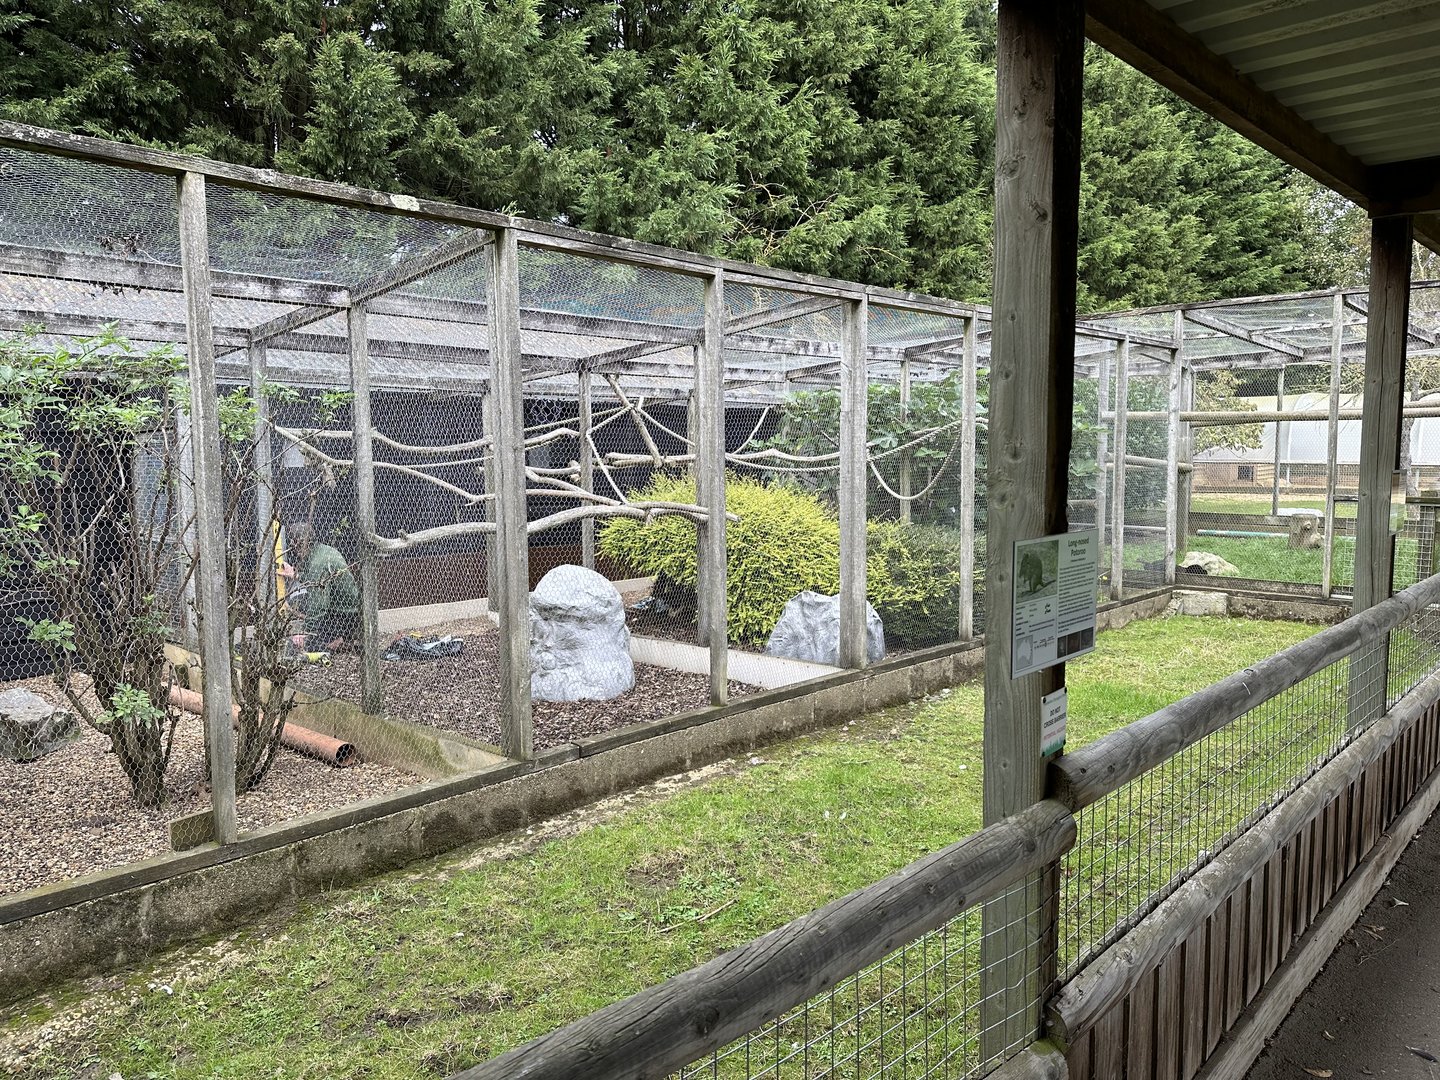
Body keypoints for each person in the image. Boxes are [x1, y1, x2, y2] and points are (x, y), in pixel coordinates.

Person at [279, 523, 360, 651]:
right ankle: (342, 638)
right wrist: (295, 575)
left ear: (295, 543)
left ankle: (340, 640)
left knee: (308, 646)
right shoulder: (323, 550)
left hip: (344, 615)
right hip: (348, 611)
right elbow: (315, 580)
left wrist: (307, 633)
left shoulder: (317, 563)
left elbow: (319, 605)